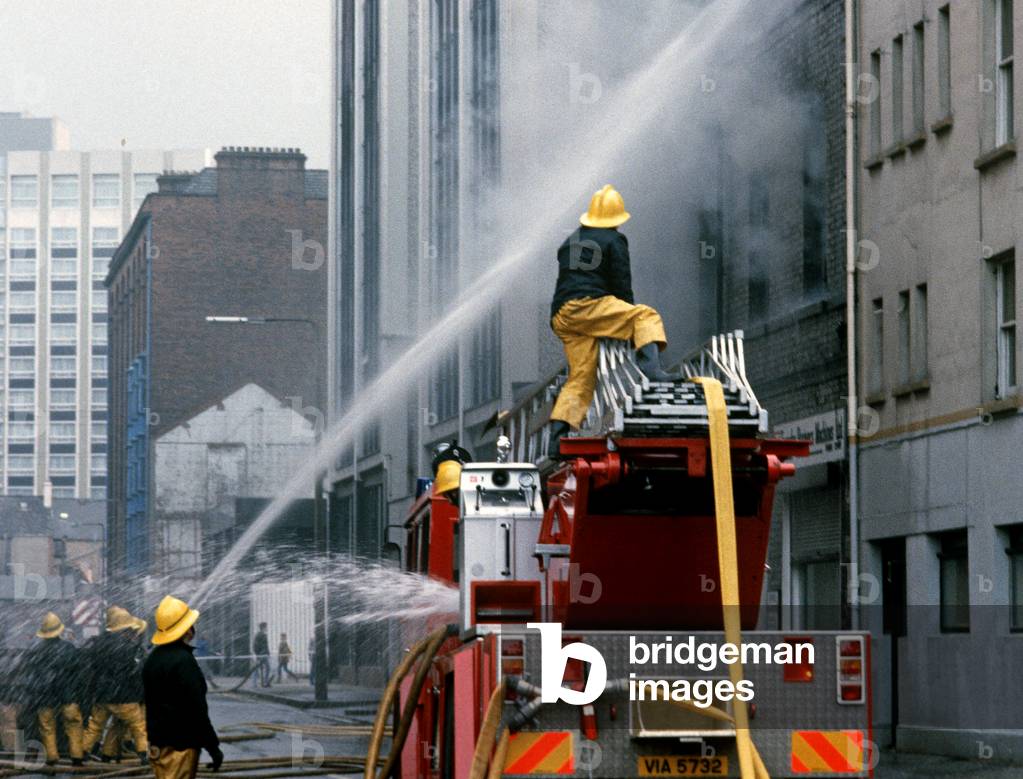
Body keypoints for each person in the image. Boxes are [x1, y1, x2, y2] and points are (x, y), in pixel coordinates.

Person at [547, 185, 681, 456]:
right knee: (645, 315)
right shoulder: (614, 240)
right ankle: (653, 371)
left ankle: (557, 438)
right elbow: (621, 282)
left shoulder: (571, 240)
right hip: (588, 306)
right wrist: (627, 317)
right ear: (616, 219)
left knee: (581, 377)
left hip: (563, 315)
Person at [143, 595, 222, 779]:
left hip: (158, 745)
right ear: (186, 630)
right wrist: (213, 747)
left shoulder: (153, 660)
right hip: (181, 746)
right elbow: (197, 709)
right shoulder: (184, 661)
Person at [81, 606, 149, 763]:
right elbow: (134, 672)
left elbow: (92, 668)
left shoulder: (97, 644)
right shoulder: (129, 648)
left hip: (102, 696)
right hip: (124, 697)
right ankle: (143, 755)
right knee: (138, 725)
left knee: (96, 726)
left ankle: (84, 752)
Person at [17, 612, 85, 766]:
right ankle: (77, 756)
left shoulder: (36, 651)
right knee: (73, 725)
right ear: (59, 630)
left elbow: (31, 675)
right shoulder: (69, 648)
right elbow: (79, 671)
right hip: (68, 696)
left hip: (45, 697)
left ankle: (52, 757)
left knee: (47, 728)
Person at [252, 623, 271, 688]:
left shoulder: (260, 635)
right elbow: (259, 646)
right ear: (263, 627)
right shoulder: (261, 635)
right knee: (264, 668)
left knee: (259, 668)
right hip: (262, 654)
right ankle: (263, 682)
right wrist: (259, 654)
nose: (266, 628)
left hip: (262, 654)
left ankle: (261, 682)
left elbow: (257, 645)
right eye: (266, 627)